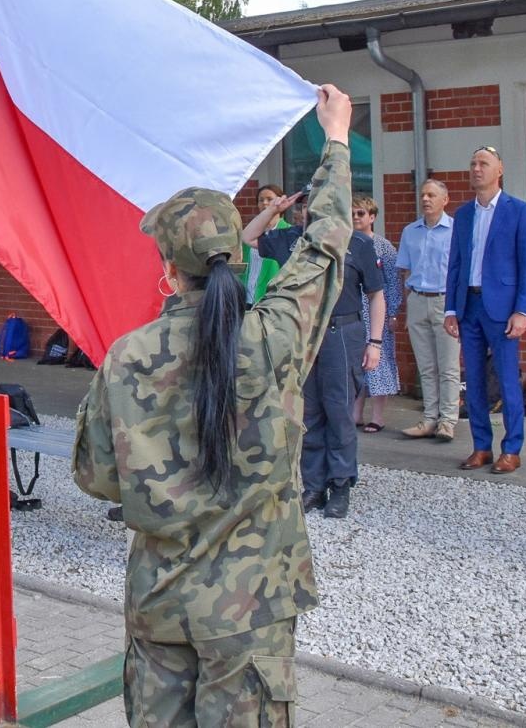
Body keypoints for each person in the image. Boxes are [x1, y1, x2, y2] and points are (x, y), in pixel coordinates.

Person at [72, 84, 356, 727]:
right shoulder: (273, 337)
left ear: (168, 269)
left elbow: (96, 476)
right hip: (249, 608)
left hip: (161, 599)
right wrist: (335, 140)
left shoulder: (127, 356)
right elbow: (325, 245)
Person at [248, 178, 382, 519]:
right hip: (304, 333)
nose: (310, 209)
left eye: (318, 202)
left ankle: (340, 485)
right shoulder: (293, 240)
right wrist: (274, 210)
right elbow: (248, 238)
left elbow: (376, 295)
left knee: (339, 410)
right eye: (305, 204)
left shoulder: (357, 244)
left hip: (342, 331)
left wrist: (376, 342)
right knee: (307, 413)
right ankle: (313, 485)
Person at [444, 146, 526, 475]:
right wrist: (450, 309)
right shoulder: (463, 214)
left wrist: (522, 311)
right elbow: (454, 264)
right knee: (473, 381)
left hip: (502, 308)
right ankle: (481, 446)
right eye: (472, 164)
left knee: (507, 379)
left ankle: (512, 449)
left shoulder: (519, 212)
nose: (476, 169)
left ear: (499, 170)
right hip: (469, 305)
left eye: (483, 163)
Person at [396, 180, 462, 441]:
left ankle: (447, 421)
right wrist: (408, 305)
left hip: (445, 301)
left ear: (445, 200)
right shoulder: (410, 231)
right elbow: (407, 271)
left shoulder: (456, 231)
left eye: (432, 195)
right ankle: (429, 418)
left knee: (448, 366)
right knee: (425, 366)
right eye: (423, 194)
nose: (426, 199)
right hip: (417, 299)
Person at [350, 196, 399, 434]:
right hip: (353, 311)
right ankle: (356, 414)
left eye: (361, 213)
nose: (356, 218)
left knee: (379, 362)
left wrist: (393, 312)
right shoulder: (346, 244)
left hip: (377, 313)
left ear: (372, 217)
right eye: (353, 214)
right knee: (356, 363)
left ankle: (377, 416)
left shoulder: (383, 247)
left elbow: (392, 282)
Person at [242, 184, 290, 304]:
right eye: (261, 200)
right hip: (246, 300)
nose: (264, 203)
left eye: (269, 199)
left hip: (272, 302)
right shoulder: (250, 233)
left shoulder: (289, 233)